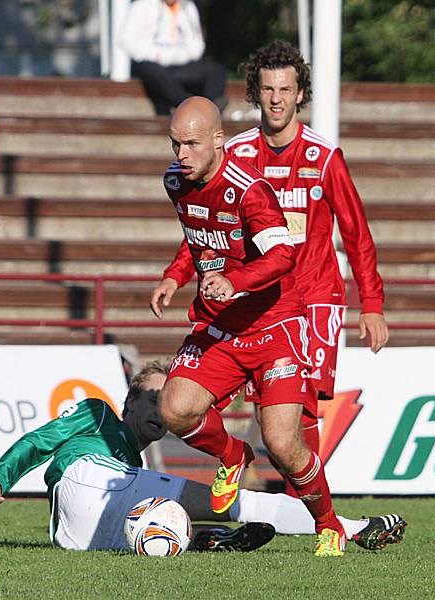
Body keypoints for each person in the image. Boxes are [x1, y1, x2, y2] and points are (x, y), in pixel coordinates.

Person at [156, 41, 389, 481]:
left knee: (298, 413)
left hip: (315, 297)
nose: (277, 98)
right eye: (267, 89)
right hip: (254, 298)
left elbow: (357, 234)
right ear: (256, 94)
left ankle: (301, 512)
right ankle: (273, 493)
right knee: (262, 413)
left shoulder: (324, 158)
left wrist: (372, 303)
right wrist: (178, 273)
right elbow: (205, 229)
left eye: (286, 88)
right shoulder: (236, 153)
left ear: (301, 94)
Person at [148, 96, 371, 556]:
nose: (180, 155)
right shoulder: (176, 182)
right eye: (175, 144)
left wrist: (235, 279)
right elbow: (199, 235)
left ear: (218, 141)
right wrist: (175, 276)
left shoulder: (250, 192)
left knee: (283, 443)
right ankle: (232, 456)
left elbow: (282, 256)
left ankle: (329, 524)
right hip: (221, 325)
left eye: (190, 144)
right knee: (174, 408)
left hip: (275, 325)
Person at [0, 360, 407, 552]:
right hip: (89, 478)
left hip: (76, 538)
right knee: (234, 501)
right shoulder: (97, 415)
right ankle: (351, 527)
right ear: (128, 403)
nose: (161, 409)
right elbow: (39, 440)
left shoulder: (131, 463)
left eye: (166, 401)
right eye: (152, 399)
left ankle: (211, 540)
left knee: (157, 532)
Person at [118, 0, 227, 116]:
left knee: (216, 71)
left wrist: (182, 55)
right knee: (161, 76)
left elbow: (197, 42)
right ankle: (189, 110)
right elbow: (126, 40)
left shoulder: (187, 7)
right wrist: (156, 55)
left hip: (181, 63)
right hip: (150, 62)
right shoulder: (141, 6)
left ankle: (209, 111)